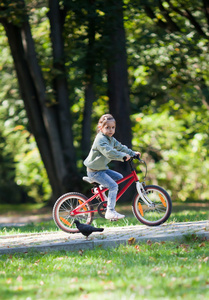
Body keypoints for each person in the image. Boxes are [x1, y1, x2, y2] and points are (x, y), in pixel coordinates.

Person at [84, 114, 141, 220]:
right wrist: (122, 156)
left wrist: (133, 153)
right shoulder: (100, 140)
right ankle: (110, 211)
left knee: (119, 177)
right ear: (100, 128)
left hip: (102, 170)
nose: (111, 130)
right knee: (114, 186)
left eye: (113, 127)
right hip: (94, 172)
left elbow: (120, 147)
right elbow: (109, 152)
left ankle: (100, 189)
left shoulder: (110, 139)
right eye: (107, 127)